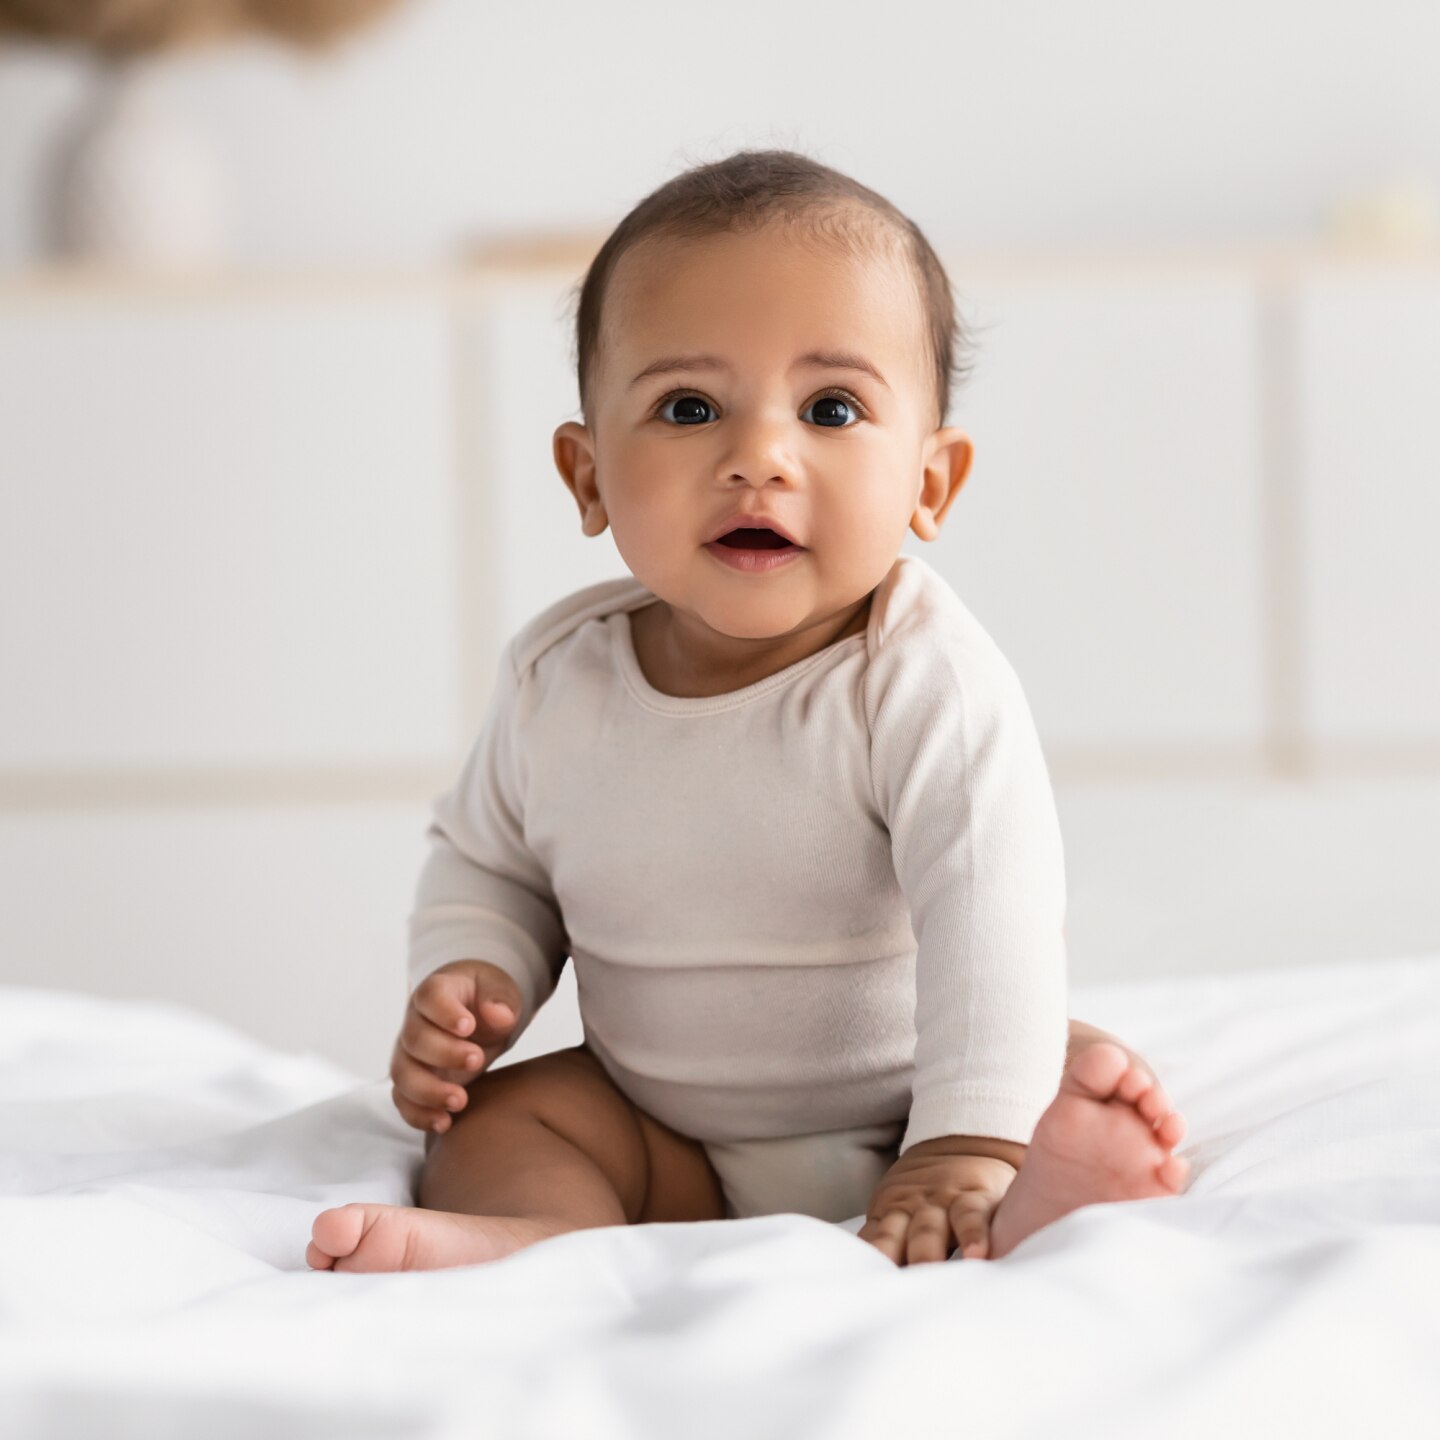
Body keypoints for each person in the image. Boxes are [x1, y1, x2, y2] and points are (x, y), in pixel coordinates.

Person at [307, 149, 1190, 1274]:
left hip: (904, 1102)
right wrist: (476, 972)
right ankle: (542, 1240)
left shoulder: (920, 680)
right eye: (689, 407)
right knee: (498, 1123)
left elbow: (995, 919)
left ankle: (1005, 1179)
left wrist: (963, 1137)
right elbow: (490, 861)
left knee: (1050, 1093)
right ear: (587, 476)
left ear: (931, 483)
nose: (757, 457)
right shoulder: (558, 680)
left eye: (830, 408)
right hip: (665, 1129)